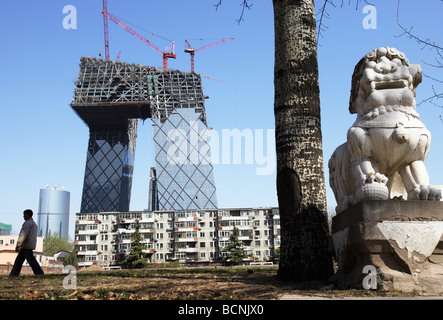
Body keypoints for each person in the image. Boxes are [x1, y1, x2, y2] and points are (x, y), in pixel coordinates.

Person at [9, 209, 44, 277]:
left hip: (26, 245)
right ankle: (14, 274)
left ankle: (39, 273)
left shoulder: (27, 223)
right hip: (29, 245)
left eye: (24, 214)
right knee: (19, 261)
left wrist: (19, 244)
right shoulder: (33, 223)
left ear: (28, 215)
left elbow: (23, 235)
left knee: (29, 261)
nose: (23, 216)